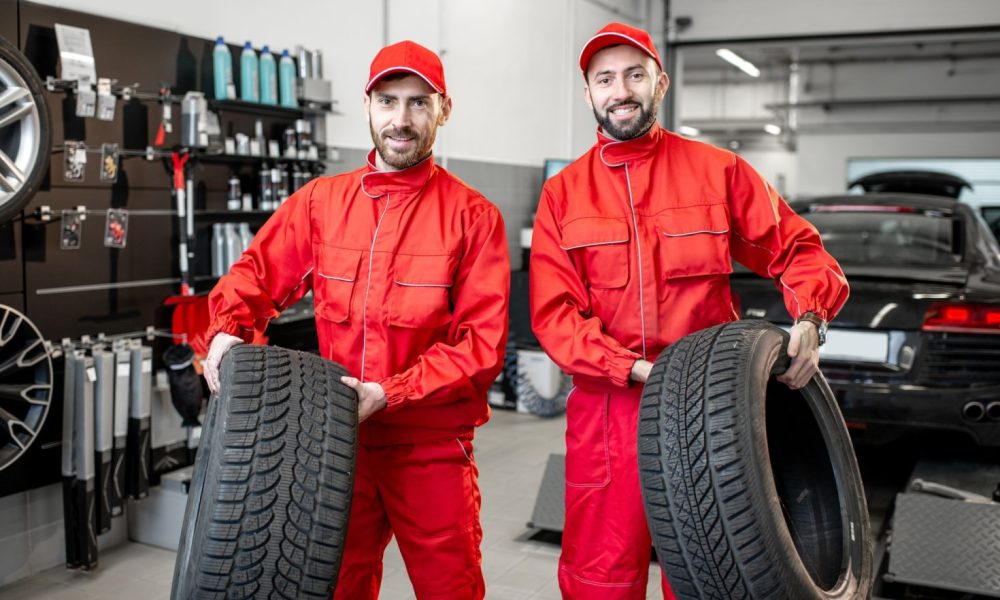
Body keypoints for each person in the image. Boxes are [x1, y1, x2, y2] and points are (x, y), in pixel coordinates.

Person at [529, 22, 848, 599]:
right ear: (588, 93)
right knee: (599, 576)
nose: (619, 90)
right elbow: (554, 315)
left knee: (714, 574)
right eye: (604, 79)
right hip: (608, 417)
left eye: (634, 74)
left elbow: (798, 249)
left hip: (708, 416)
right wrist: (631, 369)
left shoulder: (717, 171)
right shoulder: (563, 194)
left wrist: (810, 318)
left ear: (660, 82)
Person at [203, 40, 510, 599]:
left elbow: (480, 346)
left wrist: (390, 393)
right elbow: (255, 275)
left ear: (444, 109)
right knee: (337, 584)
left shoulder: (473, 218)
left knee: (451, 587)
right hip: (338, 440)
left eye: (419, 103)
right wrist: (228, 327)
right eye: (388, 101)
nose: (401, 119)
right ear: (366, 105)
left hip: (432, 446)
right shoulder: (322, 202)